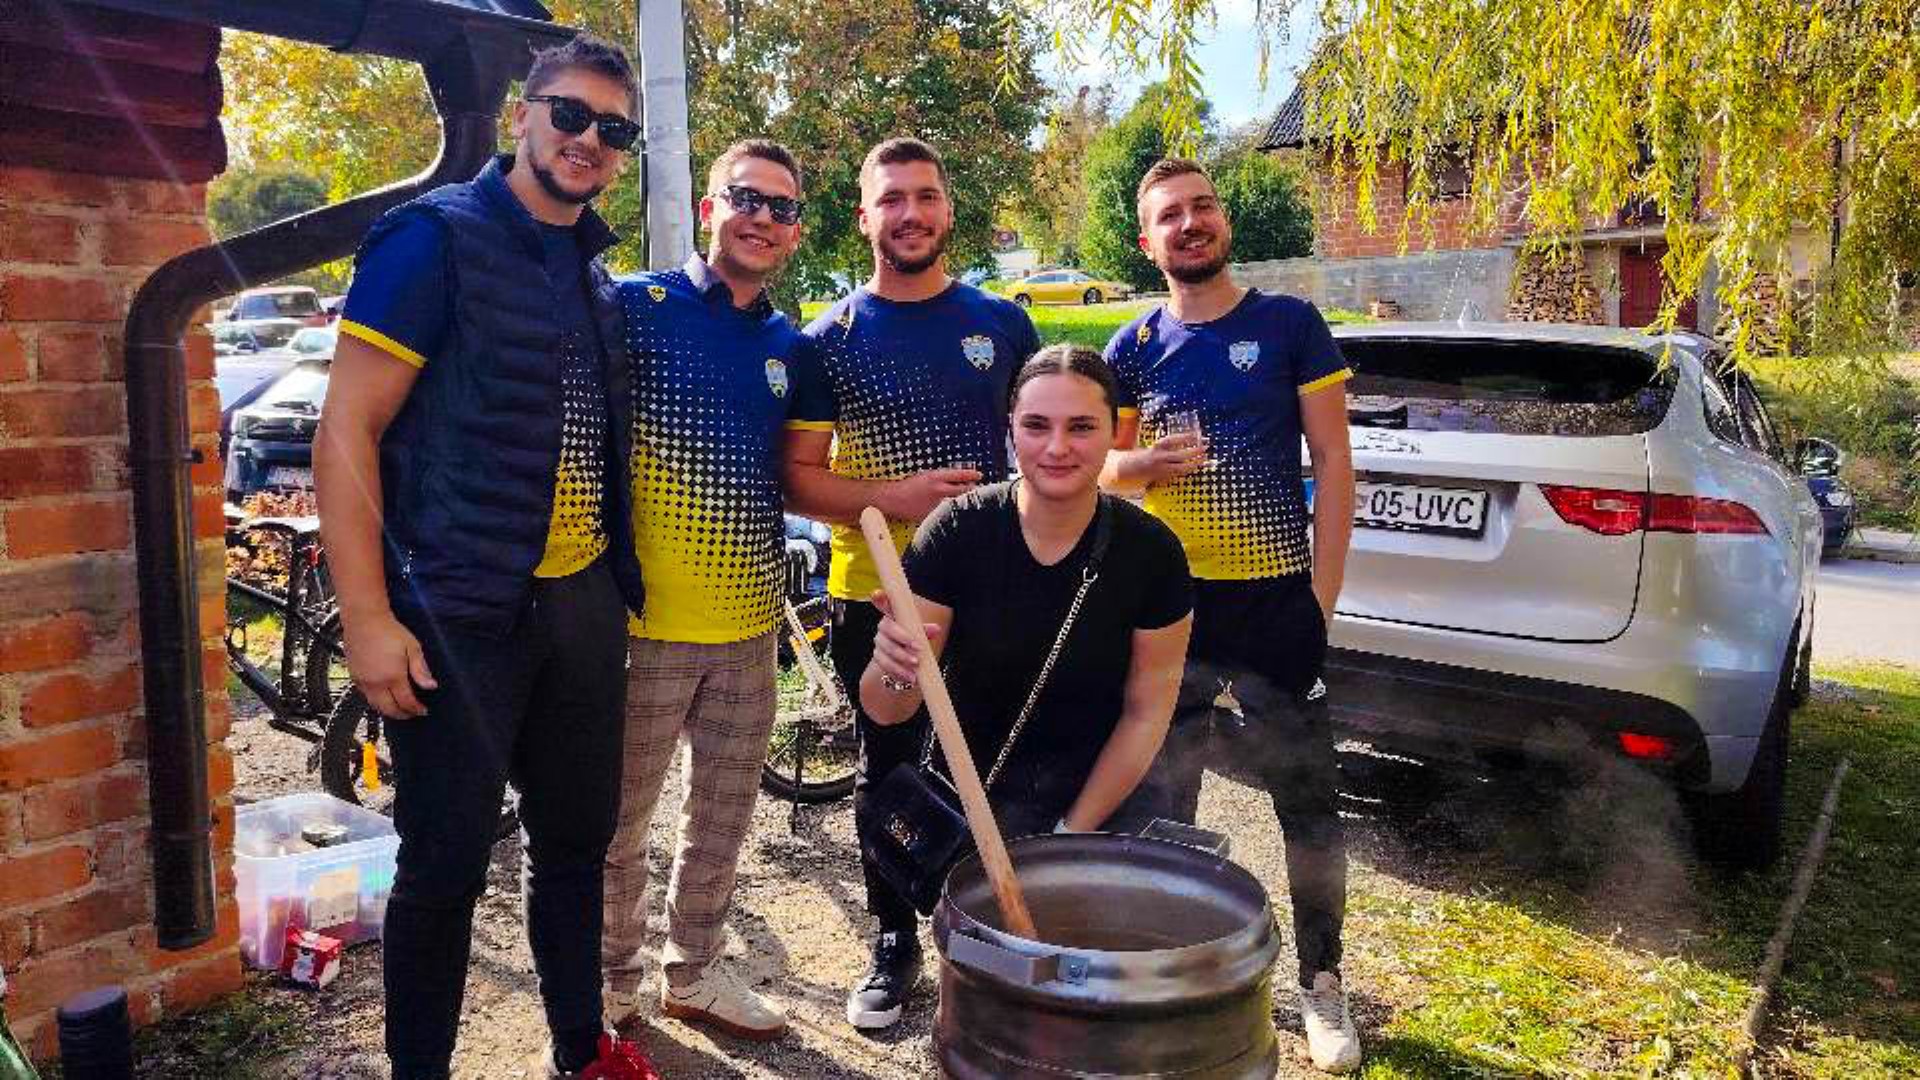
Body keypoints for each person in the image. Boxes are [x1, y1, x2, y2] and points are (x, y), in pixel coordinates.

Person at [314, 34, 657, 1080]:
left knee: (576, 846)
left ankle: (579, 1052)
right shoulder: (432, 240)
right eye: (570, 114)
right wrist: (368, 618)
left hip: (580, 606)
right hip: (458, 613)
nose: (589, 139)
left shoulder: (594, 275)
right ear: (523, 114)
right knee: (444, 863)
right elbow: (347, 429)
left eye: (614, 129)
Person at [1099, 158, 1363, 1074]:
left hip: (1275, 602)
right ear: (1148, 241)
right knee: (1163, 798)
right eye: (1170, 215)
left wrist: (1321, 598)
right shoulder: (1133, 345)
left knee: (1308, 799)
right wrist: (1141, 468)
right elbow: (1102, 471)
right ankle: (1174, 972)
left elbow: (1334, 463)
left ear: (1224, 220)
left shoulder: (1289, 324)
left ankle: (1321, 979)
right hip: (1169, 610)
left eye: (1202, 206)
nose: (1190, 223)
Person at [783, 136, 1041, 1030]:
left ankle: (988, 928)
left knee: (998, 760)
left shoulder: (1002, 324)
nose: (911, 213)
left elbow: (1046, 443)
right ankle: (894, 939)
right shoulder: (829, 340)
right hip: (877, 592)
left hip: (993, 589)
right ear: (865, 217)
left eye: (925, 196)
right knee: (890, 769)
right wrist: (891, 497)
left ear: (948, 210)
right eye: (891, 199)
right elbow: (798, 480)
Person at [601, 139, 826, 1044]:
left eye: (782, 207)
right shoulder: (632, 306)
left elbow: (796, 476)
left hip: (748, 629)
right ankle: (607, 988)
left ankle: (693, 973)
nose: (763, 218)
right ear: (709, 209)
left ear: (796, 231)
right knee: (617, 830)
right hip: (641, 627)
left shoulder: (789, 346)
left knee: (721, 823)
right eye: (746, 198)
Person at [861, 345, 1193, 843]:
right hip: (971, 807)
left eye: (1081, 427)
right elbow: (887, 710)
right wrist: (895, 668)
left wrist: (1069, 835)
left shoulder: (1152, 552)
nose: (1057, 448)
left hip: (1104, 809)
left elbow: (1146, 714)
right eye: (1036, 426)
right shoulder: (957, 531)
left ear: (1113, 433)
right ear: (1011, 429)